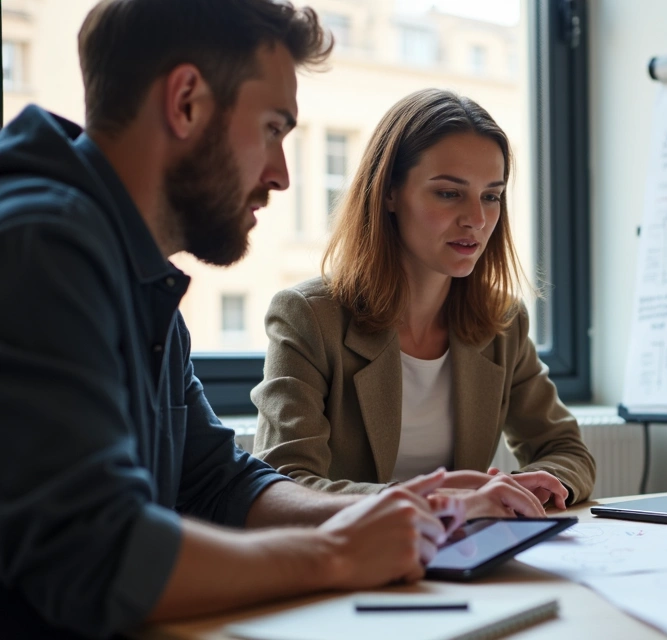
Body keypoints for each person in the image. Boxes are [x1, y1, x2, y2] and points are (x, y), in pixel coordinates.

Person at [0, 2, 470, 638]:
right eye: (274, 129)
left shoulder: (136, 271)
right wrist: (336, 555)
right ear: (187, 101)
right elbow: (99, 554)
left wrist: (394, 514)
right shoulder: (39, 245)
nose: (279, 176)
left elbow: (217, 482)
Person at [252, 89, 596, 514]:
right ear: (390, 193)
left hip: (462, 562)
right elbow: (286, 484)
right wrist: (442, 502)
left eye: (491, 195)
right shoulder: (308, 316)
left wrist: (535, 486)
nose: (477, 218)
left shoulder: (503, 319)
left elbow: (567, 451)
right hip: (349, 564)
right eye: (450, 193)